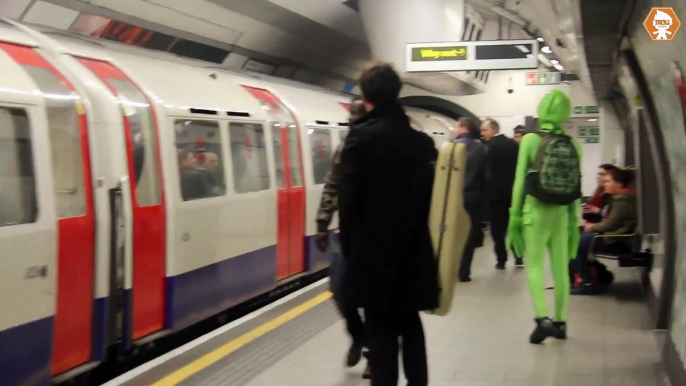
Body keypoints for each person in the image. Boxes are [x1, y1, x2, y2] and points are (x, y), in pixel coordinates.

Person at [339, 62, 438, 386]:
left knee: (380, 332)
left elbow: (349, 205)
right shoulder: (421, 144)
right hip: (413, 250)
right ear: (397, 93)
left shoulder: (359, 140)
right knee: (410, 323)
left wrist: (353, 253)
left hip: (373, 255)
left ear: (366, 97)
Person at [508, 89, 583, 344]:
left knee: (536, 266)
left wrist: (514, 218)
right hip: (561, 216)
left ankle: (542, 320)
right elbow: (575, 190)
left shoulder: (530, 140)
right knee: (561, 269)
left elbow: (519, 182)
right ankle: (561, 323)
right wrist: (575, 225)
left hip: (535, 212)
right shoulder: (573, 145)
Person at [315, 96, 370, 378]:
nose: (350, 120)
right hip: (347, 232)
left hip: (377, 236)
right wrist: (322, 222)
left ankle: (374, 353)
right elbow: (332, 185)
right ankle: (358, 334)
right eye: (349, 115)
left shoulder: (381, 147)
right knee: (339, 291)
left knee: (373, 297)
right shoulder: (344, 148)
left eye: (356, 115)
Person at [572, 168, 637, 295]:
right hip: (613, 237)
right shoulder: (620, 199)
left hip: (615, 240)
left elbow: (611, 224)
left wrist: (592, 228)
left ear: (619, 183)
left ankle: (588, 283)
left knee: (575, 244)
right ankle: (597, 275)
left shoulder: (622, 202)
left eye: (607, 181)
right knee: (576, 242)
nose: (604, 184)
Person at [481, 118, 523, 269]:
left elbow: (486, 173)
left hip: (495, 196)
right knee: (514, 226)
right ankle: (518, 257)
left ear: (494, 129)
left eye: (484, 130)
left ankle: (501, 259)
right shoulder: (514, 145)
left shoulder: (489, 147)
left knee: (497, 229)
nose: (482, 133)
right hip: (513, 194)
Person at [454, 117, 487, 282]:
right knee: (470, 233)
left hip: (455, 197)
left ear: (464, 128)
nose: (455, 130)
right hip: (474, 196)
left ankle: (449, 269)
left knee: (452, 233)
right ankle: (464, 272)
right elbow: (485, 175)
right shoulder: (480, 148)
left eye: (456, 127)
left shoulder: (452, 147)